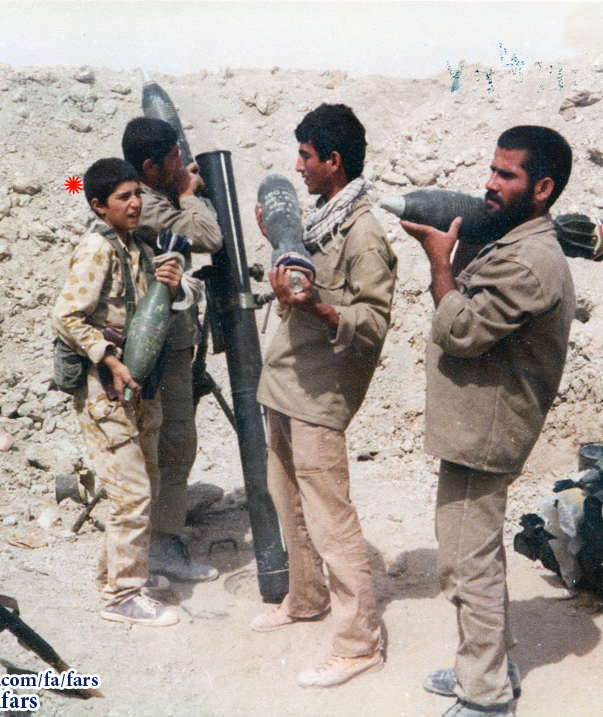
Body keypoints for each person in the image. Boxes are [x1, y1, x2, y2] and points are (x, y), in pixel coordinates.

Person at [399, 125, 576, 717]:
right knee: (474, 553)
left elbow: (461, 331)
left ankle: (486, 697)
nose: (490, 184)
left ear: (542, 188)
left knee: (465, 561)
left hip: (487, 432)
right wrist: (466, 249)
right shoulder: (513, 242)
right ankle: (489, 664)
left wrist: (438, 261)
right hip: (476, 425)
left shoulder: (528, 261)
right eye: (492, 170)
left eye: (507, 174)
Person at [251, 103, 396, 688]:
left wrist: (316, 306)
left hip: (320, 396)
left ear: (334, 161)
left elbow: (373, 322)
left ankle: (359, 644)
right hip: (287, 383)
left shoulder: (364, 234)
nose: (298, 167)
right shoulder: (321, 220)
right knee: (287, 500)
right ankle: (307, 597)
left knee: (331, 521)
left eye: (307, 156)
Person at [51, 157, 187, 627]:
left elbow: (147, 311)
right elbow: (66, 316)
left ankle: (118, 576)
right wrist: (107, 358)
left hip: (137, 389)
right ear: (98, 205)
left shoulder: (135, 245)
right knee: (132, 495)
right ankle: (122, 597)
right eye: (123, 197)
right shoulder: (97, 248)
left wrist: (172, 288)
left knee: (144, 485)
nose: (135, 204)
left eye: (137, 194)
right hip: (105, 391)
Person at [121, 117, 223, 583]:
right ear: (150, 167)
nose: (181, 164)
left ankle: (159, 529)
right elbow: (209, 237)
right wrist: (187, 193)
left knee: (164, 440)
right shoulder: (148, 206)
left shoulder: (142, 197)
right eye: (173, 159)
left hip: (168, 342)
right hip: (160, 346)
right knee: (175, 441)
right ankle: (162, 545)